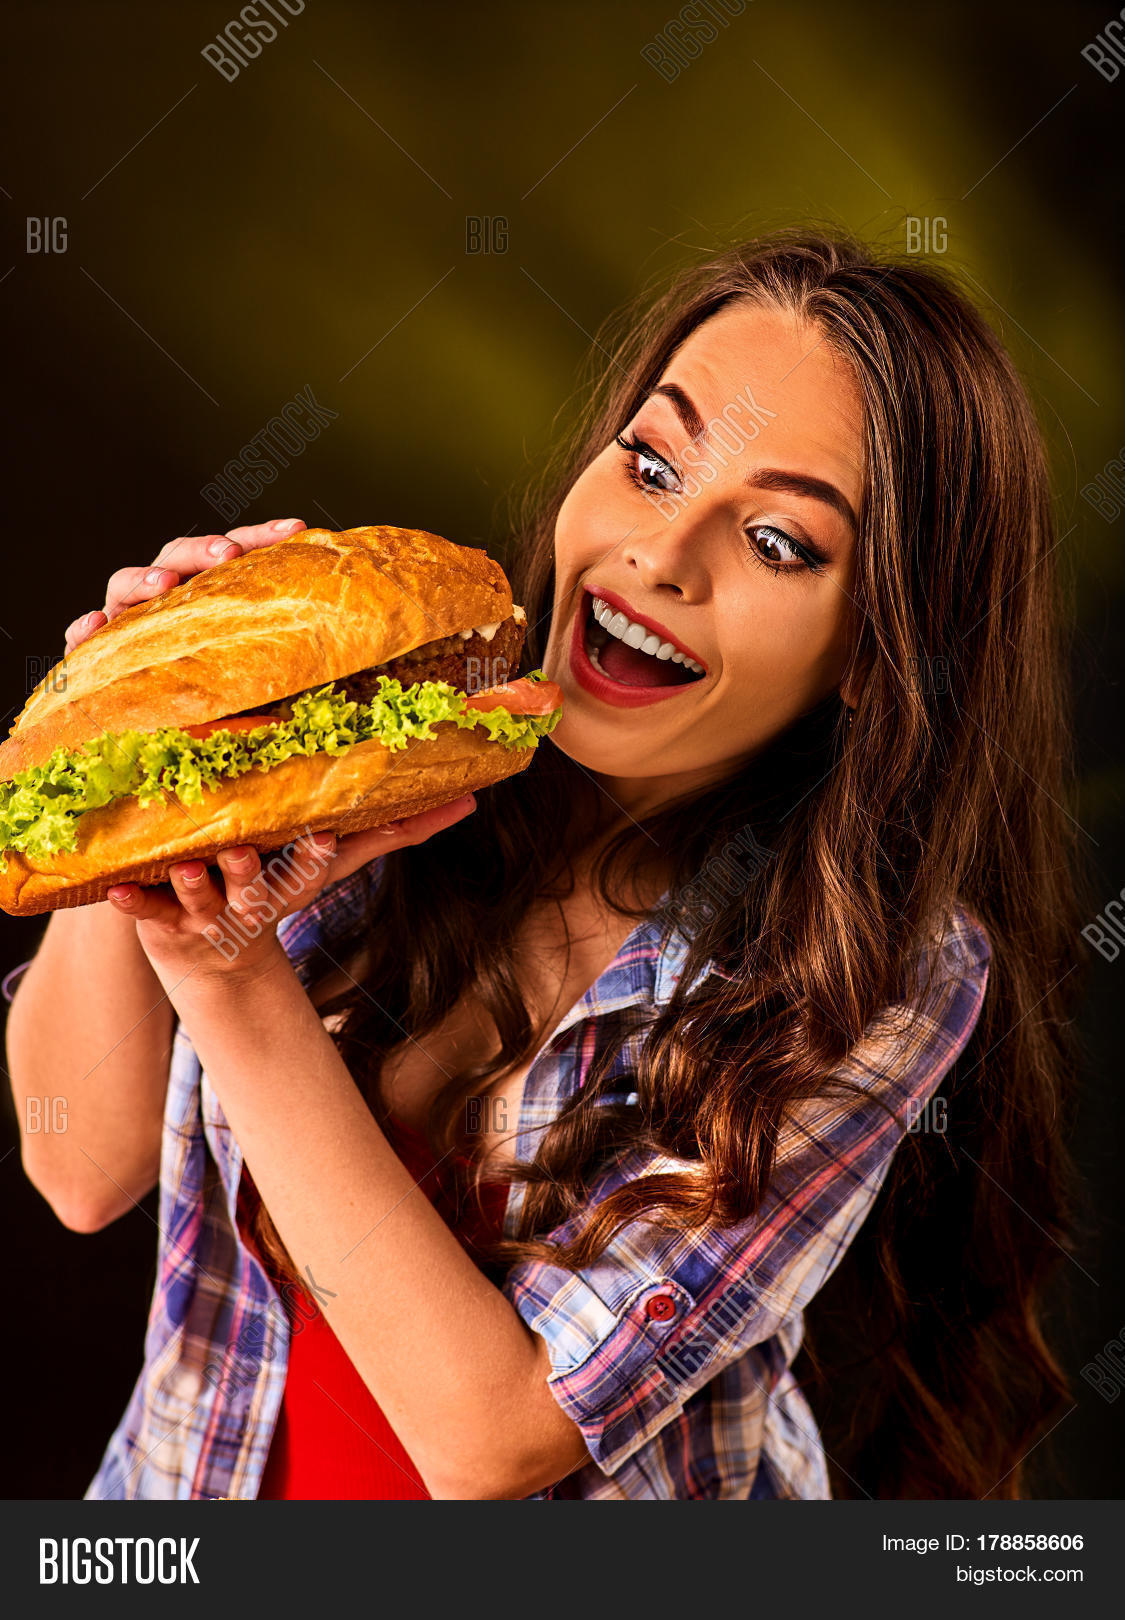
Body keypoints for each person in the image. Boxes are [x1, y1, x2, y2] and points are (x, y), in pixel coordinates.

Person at [5, 231, 1083, 1500]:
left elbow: (495, 1441)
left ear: (875, 647)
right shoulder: (374, 726)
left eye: (778, 542)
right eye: (652, 464)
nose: (662, 556)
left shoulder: (886, 974)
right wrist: (148, 741)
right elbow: (81, 1164)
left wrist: (232, 982)